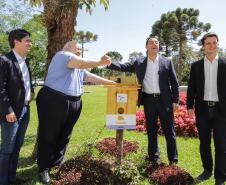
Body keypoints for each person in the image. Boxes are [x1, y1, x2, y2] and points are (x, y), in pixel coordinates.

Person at [36, 40, 116, 184]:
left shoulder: (78, 65)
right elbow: (81, 62)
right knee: (48, 135)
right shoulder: (62, 55)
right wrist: (100, 62)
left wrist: (112, 84)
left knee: (65, 135)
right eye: (77, 48)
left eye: (80, 49)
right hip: (55, 99)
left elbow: (90, 77)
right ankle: (44, 168)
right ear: (68, 47)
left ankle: (56, 164)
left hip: (74, 101)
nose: (79, 50)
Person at [107, 35, 179, 165]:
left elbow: (174, 82)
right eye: (151, 42)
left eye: (156, 42)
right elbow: (124, 66)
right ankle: (153, 158)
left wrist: (175, 100)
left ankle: (173, 161)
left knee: (169, 131)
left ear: (158, 46)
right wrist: (109, 63)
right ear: (146, 46)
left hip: (165, 101)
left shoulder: (167, 61)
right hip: (148, 100)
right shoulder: (139, 62)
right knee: (151, 131)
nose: (154, 44)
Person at [187, 32, 226, 185]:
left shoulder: (224, 63)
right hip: (203, 110)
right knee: (204, 143)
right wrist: (190, 105)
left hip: (222, 111)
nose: (212, 45)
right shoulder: (196, 66)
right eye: (208, 43)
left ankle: (221, 176)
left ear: (218, 44)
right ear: (204, 46)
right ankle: (207, 170)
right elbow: (191, 88)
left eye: (214, 42)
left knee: (221, 145)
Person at [0, 29, 34, 185]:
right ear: (16, 41)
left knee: (17, 145)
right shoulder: (4, 60)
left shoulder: (25, 61)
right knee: (7, 149)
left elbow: (26, 82)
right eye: (27, 40)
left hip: (25, 110)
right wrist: (8, 110)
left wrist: (31, 92)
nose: (30, 43)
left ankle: (11, 178)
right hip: (11, 113)